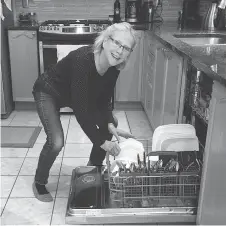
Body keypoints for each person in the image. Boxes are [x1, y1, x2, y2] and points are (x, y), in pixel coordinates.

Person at [32, 22, 137, 202]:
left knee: (111, 122)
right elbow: (81, 111)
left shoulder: (114, 68)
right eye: (116, 43)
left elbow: (104, 101)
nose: (120, 51)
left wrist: (109, 124)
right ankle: (39, 182)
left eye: (126, 48)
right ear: (104, 41)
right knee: (56, 141)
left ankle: (93, 168)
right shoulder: (83, 60)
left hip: (74, 94)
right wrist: (102, 142)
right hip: (49, 90)